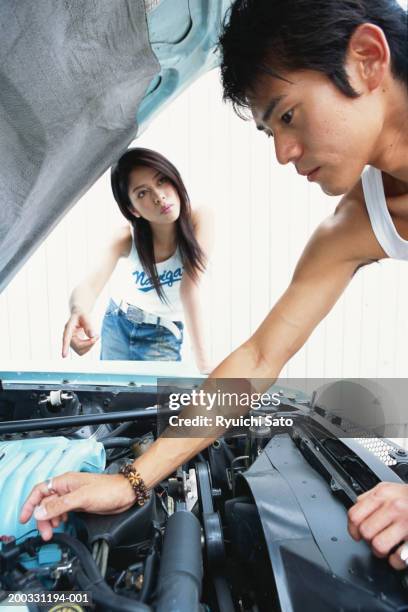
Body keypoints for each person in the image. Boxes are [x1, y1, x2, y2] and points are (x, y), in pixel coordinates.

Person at [20, 0, 408, 569]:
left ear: (368, 60)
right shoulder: (355, 223)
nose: (281, 153)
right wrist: (133, 480)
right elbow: (257, 356)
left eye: (289, 115)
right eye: (269, 130)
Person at [61, 147, 213, 374]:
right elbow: (90, 284)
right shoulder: (125, 237)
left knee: (156, 408)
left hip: (162, 334)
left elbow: (189, 289)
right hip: (117, 324)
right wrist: (77, 310)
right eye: (143, 193)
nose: (159, 196)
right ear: (133, 209)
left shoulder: (200, 218)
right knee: (112, 402)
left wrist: (204, 367)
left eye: (162, 181)